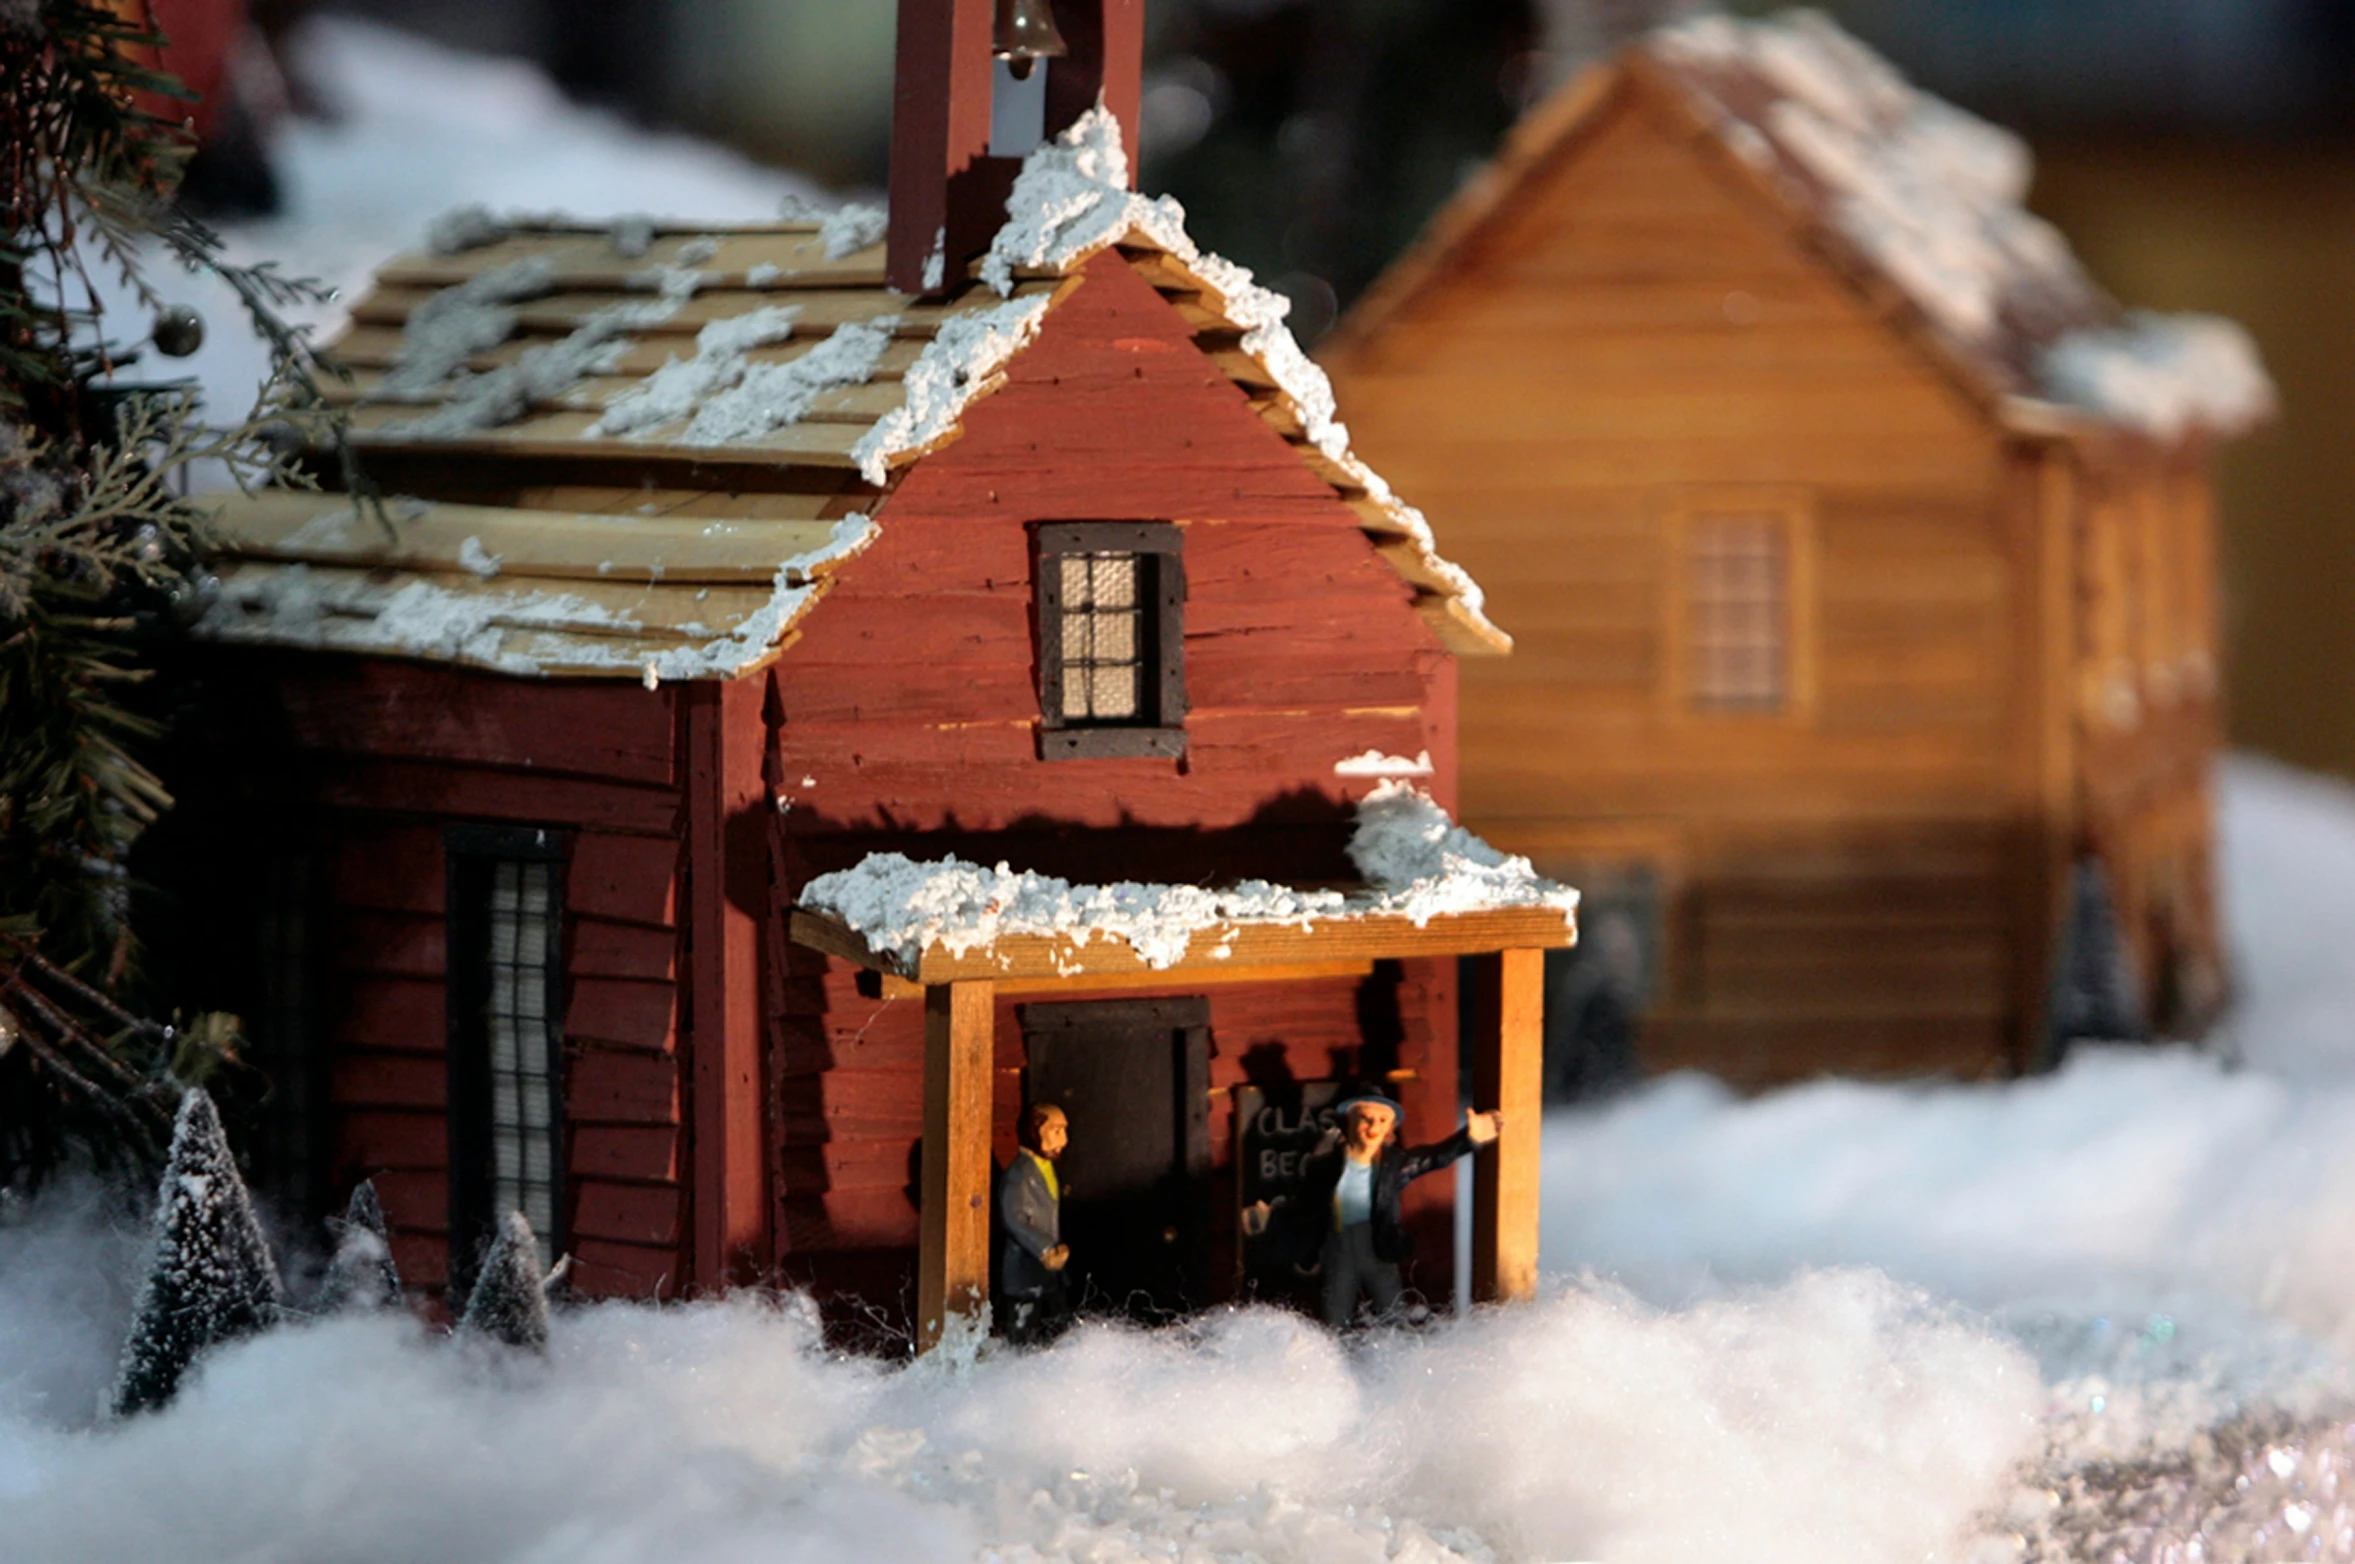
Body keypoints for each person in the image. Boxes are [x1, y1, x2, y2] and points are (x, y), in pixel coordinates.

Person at [1252, 1090, 1501, 1328]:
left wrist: (1469, 1138)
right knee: (1336, 1311)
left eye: (1382, 1120)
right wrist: (1272, 1218)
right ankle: (1331, 1363)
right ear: (1349, 1123)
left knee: (1391, 1308)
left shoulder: (1394, 1165)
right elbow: (1306, 1205)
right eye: (1365, 1119)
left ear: (1389, 1129)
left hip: (1377, 1245)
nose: (1373, 1127)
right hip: (1339, 1245)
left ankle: (1398, 1358)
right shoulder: (1325, 1167)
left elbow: (1434, 1157)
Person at [996, 1102, 1072, 1344]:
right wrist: (1045, 1249)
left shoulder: (1045, 1168)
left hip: (1051, 1274)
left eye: (1064, 1130)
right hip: (1026, 1273)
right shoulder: (1020, 1173)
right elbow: (1014, 1217)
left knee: (1059, 1329)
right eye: (1056, 1131)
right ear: (1033, 1132)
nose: (1064, 1140)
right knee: (1023, 1334)